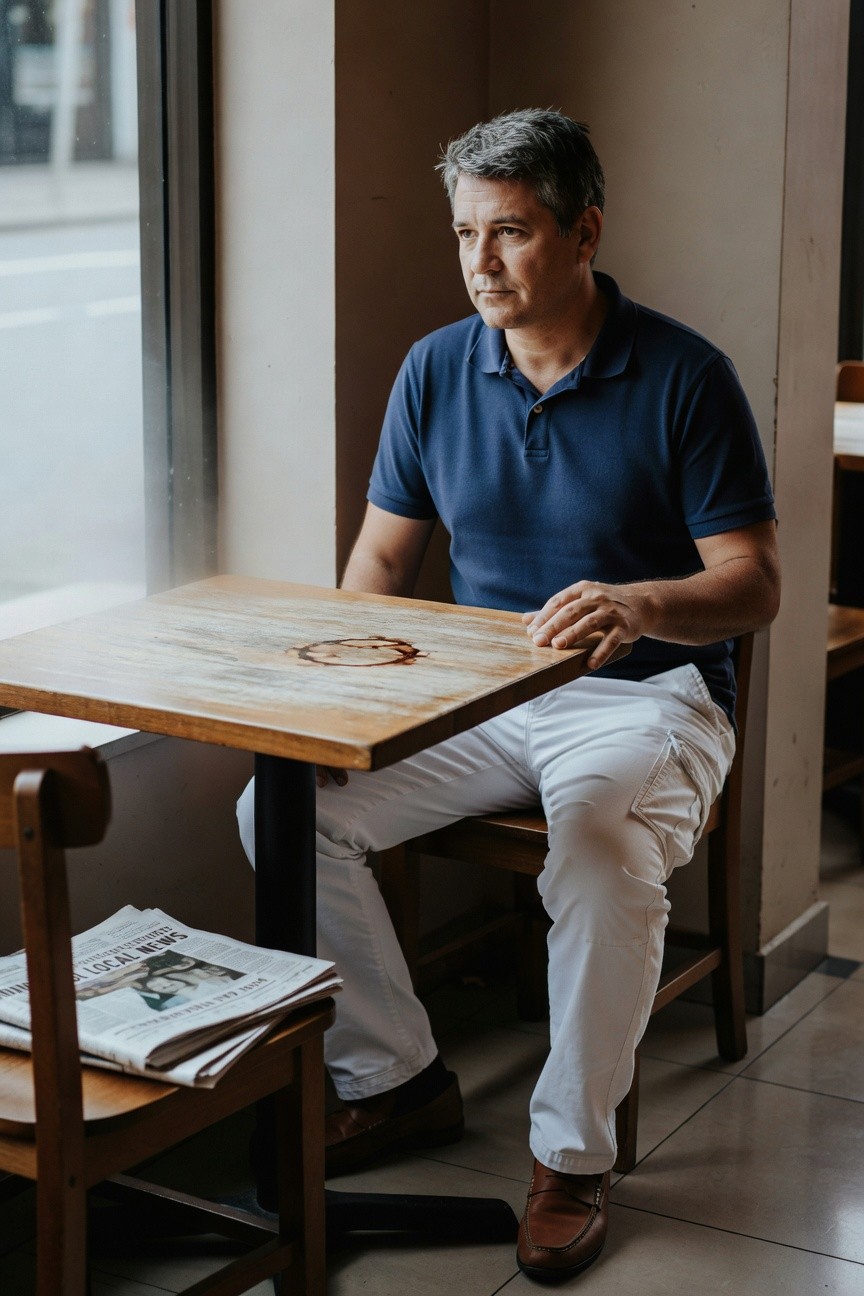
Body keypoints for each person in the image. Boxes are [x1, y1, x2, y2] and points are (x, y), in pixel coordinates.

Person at [237, 108, 780, 1283]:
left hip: (652, 694)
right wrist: (340, 701)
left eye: (513, 232)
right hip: (475, 702)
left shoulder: (686, 375)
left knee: (591, 838)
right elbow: (380, 568)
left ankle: (571, 1156)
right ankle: (398, 1078)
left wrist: (638, 605)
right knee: (279, 808)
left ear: (584, 231)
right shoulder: (436, 368)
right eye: (466, 234)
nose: (482, 262)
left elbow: (755, 585)